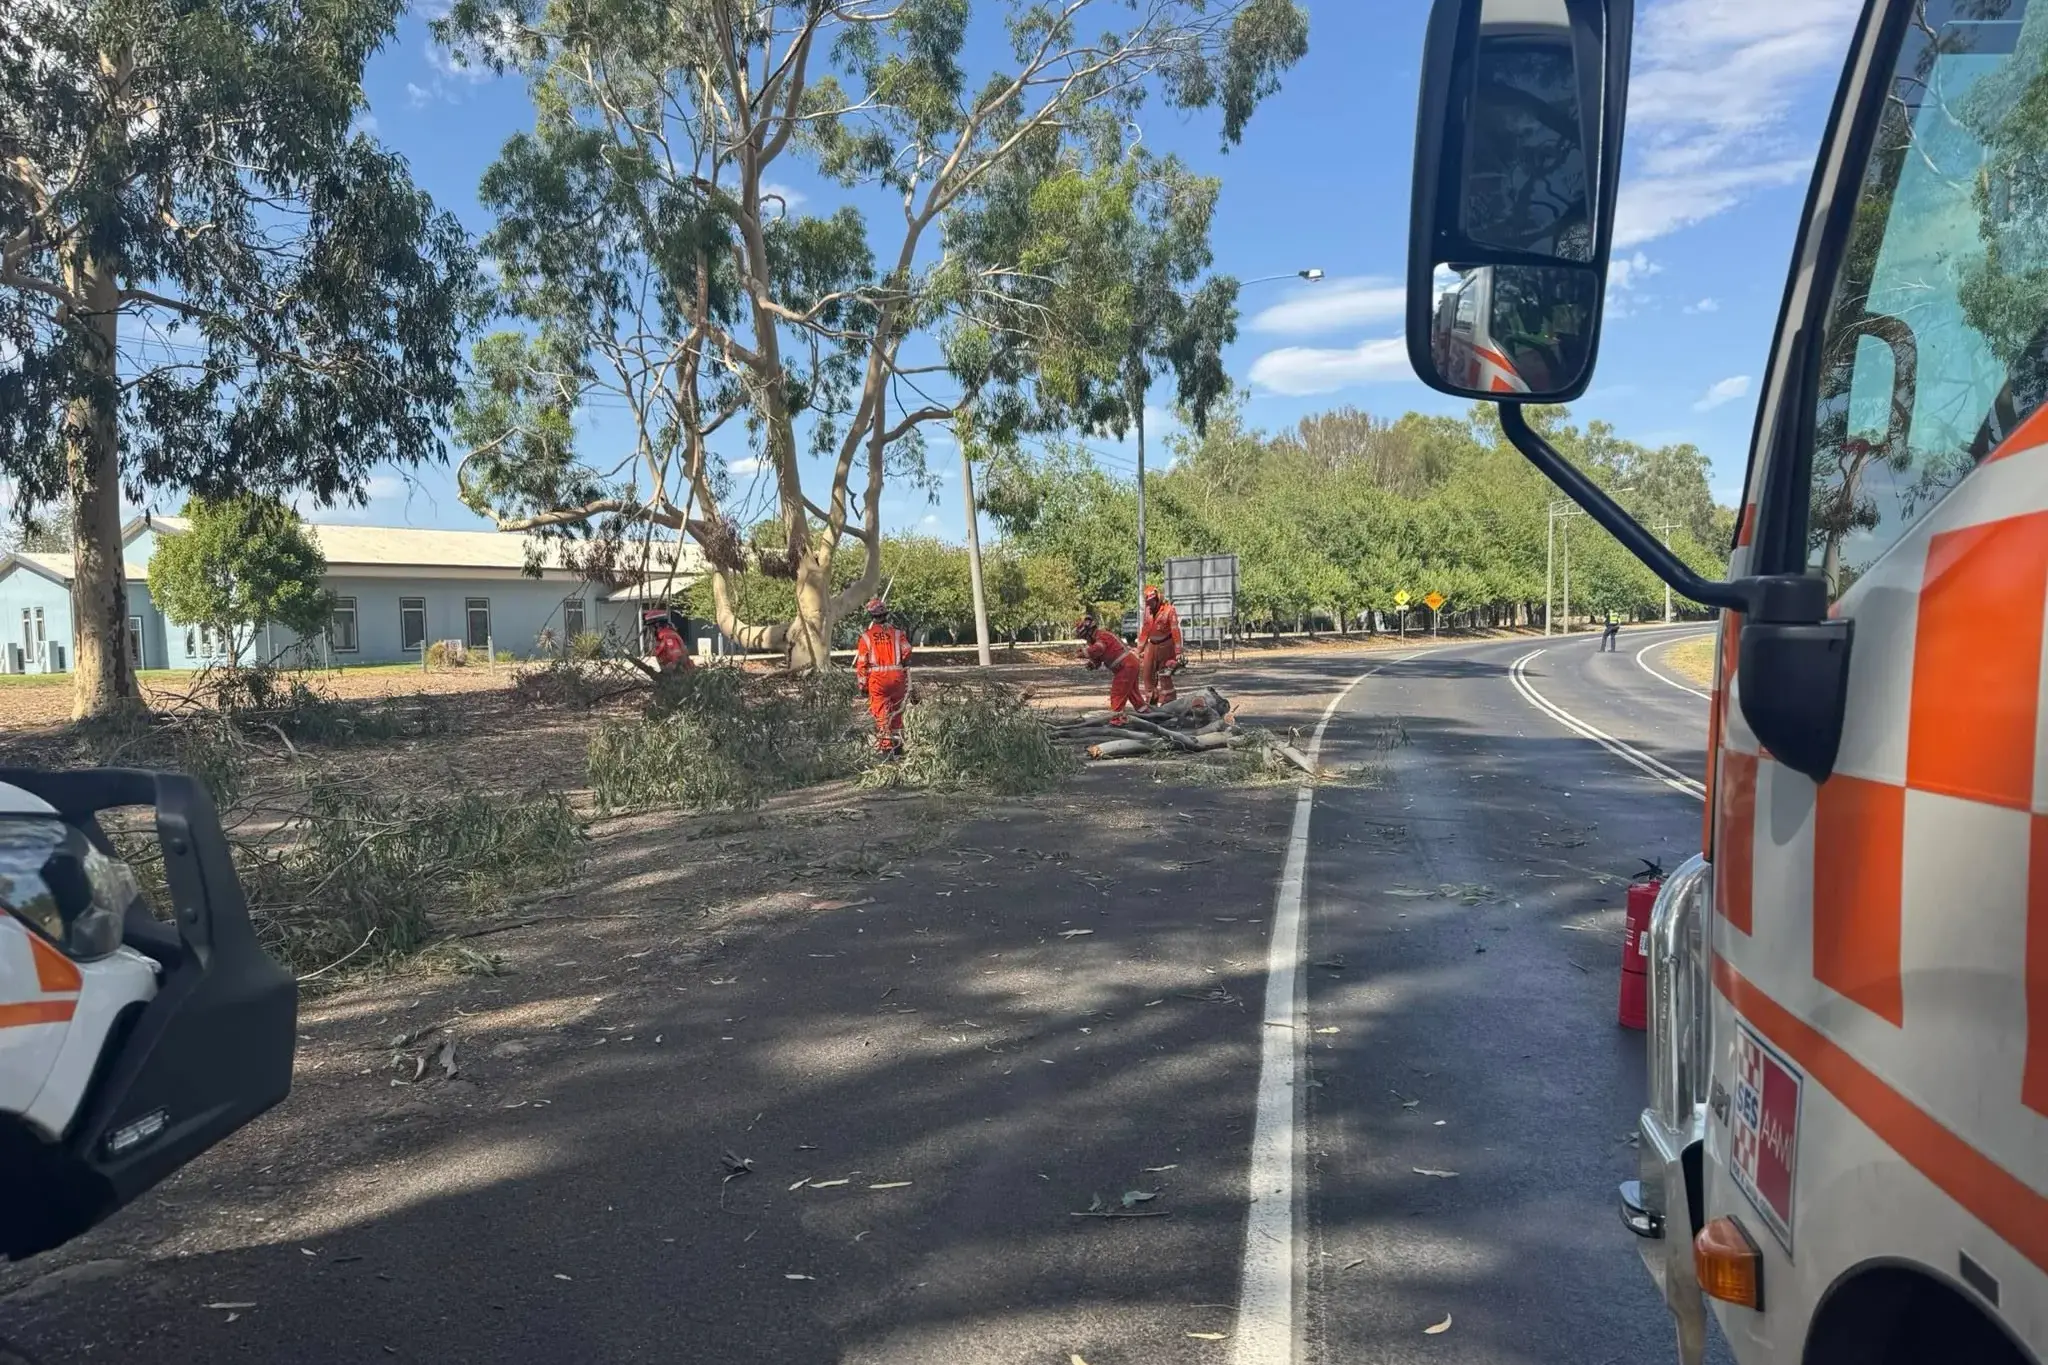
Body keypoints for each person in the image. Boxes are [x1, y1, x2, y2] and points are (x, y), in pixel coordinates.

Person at [853, 597, 912, 756]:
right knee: (897, 712)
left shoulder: (866, 637)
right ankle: (899, 747)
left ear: (871, 616)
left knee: (881, 714)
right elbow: (907, 651)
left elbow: (862, 664)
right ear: (886, 614)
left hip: (877, 680)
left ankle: (886, 750)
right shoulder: (898, 634)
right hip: (897, 677)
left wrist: (862, 686)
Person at [1077, 611, 1143, 721]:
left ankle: (1116, 720)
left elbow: (1099, 649)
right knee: (1133, 694)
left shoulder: (1102, 636)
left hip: (1125, 666)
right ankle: (1146, 713)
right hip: (1129, 665)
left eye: (1085, 637)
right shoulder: (1098, 638)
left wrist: (1084, 652)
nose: (1086, 640)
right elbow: (1100, 656)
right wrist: (1093, 664)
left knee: (1117, 693)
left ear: (1089, 632)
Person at [1138, 584, 1184, 706]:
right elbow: (1145, 631)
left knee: (1165, 675)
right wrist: (1138, 650)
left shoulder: (1169, 610)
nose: (1150, 604)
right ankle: (1150, 701)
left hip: (1166, 647)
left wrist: (1178, 652)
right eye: (1148, 602)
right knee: (1147, 674)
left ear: (1158, 599)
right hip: (1151, 646)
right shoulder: (1148, 611)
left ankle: (1169, 702)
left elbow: (1175, 631)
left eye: (1152, 601)